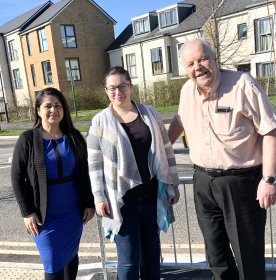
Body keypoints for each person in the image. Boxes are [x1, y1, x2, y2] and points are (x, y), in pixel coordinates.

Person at [168, 38, 276, 280]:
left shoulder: (243, 85)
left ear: (215, 59)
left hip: (241, 183)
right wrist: (159, 149)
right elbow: (180, 120)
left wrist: (269, 179)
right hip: (203, 182)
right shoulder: (187, 90)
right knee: (216, 257)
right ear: (185, 69)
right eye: (191, 63)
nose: (198, 67)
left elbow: (270, 131)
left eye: (203, 59)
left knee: (248, 258)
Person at [87, 66, 180, 280]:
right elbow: (94, 164)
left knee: (151, 255)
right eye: (112, 88)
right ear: (106, 91)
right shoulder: (99, 122)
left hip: (151, 197)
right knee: (128, 261)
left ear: (131, 86)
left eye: (122, 86)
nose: (117, 92)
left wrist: (172, 184)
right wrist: (99, 197)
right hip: (121, 201)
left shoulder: (149, 113)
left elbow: (166, 150)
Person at [11, 88, 95, 280]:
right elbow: (17, 177)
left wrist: (89, 202)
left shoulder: (74, 137)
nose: (53, 110)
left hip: (72, 213)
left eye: (58, 105)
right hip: (43, 216)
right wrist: (26, 212)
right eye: (48, 106)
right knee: (52, 263)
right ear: (38, 110)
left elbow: (85, 173)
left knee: (70, 256)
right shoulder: (28, 139)